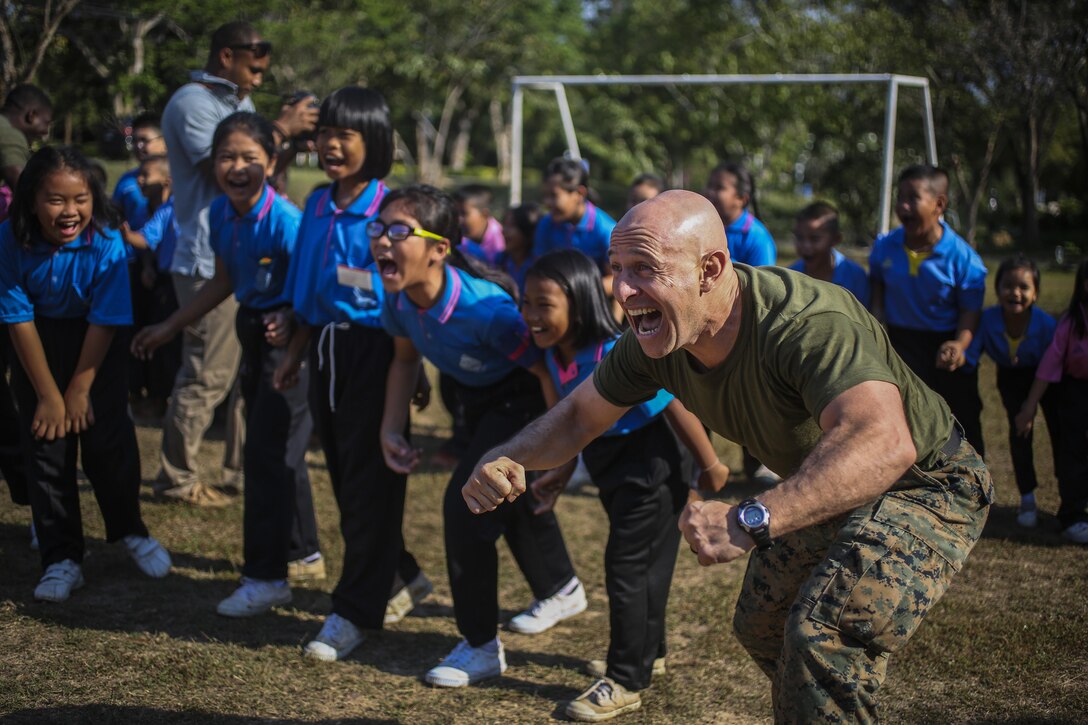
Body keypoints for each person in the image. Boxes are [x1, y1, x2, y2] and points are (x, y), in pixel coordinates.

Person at [463, 190, 992, 722]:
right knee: (762, 623)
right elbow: (580, 416)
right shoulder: (658, 339)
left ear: (709, 269)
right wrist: (511, 455)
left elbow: (882, 441)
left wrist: (752, 516)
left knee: (820, 636)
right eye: (616, 268)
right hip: (829, 482)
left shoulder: (807, 321)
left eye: (644, 268)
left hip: (924, 484)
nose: (622, 290)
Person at [371, 185, 584, 688]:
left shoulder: (488, 311)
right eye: (377, 228)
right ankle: (560, 585)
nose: (383, 240)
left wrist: (561, 451)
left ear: (440, 249)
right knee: (501, 502)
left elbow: (544, 373)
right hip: (475, 400)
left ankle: (480, 646)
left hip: (520, 399)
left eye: (399, 231)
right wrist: (389, 427)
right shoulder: (398, 295)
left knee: (467, 505)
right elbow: (404, 361)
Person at [521, 248, 727, 720]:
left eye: (543, 304)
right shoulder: (557, 357)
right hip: (612, 466)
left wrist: (710, 463)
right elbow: (569, 425)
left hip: (650, 462)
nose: (531, 315)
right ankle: (647, 654)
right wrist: (558, 471)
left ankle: (624, 679)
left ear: (578, 301)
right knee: (646, 565)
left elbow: (671, 404)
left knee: (628, 567)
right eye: (526, 302)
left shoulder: (615, 353)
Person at [132, 112, 323, 614]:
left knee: (266, 453)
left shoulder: (287, 221)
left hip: (290, 340)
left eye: (249, 158)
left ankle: (266, 577)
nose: (237, 168)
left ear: (273, 162)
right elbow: (223, 282)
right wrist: (169, 327)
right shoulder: (219, 214)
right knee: (276, 450)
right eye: (226, 157)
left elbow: (311, 286)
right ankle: (304, 553)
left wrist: (292, 322)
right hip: (252, 330)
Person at [273, 86, 429, 661]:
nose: (331, 146)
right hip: (325, 352)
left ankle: (352, 611)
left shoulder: (394, 210)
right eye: (324, 134)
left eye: (346, 136)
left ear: (376, 143)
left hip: (378, 352)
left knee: (371, 484)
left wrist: (414, 366)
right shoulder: (316, 202)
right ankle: (401, 576)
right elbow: (311, 289)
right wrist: (293, 353)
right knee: (345, 479)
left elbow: (412, 292)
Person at [0, 146, 172, 602]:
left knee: (107, 442)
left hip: (98, 345)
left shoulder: (107, 240)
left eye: (80, 199)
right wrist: (49, 396)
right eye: (55, 200)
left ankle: (130, 528)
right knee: (45, 445)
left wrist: (78, 389)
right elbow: (18, 319)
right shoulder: (8, 239)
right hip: (36, 341)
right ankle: (61, 556)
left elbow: (105, 319)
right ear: (31, 201)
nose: (70, 211)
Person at [159, 20, 317, 505]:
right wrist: (282, 129)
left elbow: (265, 170)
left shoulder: (240, 104)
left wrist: (286, 144)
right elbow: (220, 167)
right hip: (208, 258)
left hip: (252, 256)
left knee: (253, 379)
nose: (259, 80)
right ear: (226, 56)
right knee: (208, 374)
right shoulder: (192, 103)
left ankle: (241, 469)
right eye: (254, 68)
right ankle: (177, 477)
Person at [869, 164, 988, 456]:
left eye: (913, 198)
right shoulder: (885, 247)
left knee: (961, 421)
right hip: (901, 344)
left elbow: (970, 312)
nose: (903, 206)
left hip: (945, 346)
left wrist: (959, 346)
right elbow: (878, 286)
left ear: (939, 204)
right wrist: (876, 322)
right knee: (906, 418)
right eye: (900, 197)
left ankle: (976, 488)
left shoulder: (964, 259)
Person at [961, 256, 1058, 528]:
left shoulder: (1047, 326)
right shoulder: (988, 320)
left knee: (1061, 435)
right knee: (1019, 434)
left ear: (1036, 293)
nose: (1015, 293)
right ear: (997, 289)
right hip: (1010, 379)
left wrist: (1031, 406)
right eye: (1008, 285)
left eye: (1024, 287)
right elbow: (970, 357)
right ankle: (1027, 500)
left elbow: (1053, 366)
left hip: (1049, 380)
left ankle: (1072, 503)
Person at [704, 160, 779, 486]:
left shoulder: (756, 237)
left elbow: (761, 291)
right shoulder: (703, 228)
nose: (710, 192)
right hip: (705, 328)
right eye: (710, 185)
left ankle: (760, 462)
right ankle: (700, 460)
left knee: (749, 396)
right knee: (700, 395)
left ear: (742, 199)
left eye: (719, 187)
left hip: (742, 330)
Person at [1015, 259, 1088, 544]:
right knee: (1074, 455)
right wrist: (1030, 406)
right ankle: (1072, 515)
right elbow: (1049, 365)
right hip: (1076, 395)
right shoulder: (1072, 323)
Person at [534, 157, 617, 289]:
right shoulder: (547, 224)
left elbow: (615, 278)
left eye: (554, 196)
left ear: (579, 193)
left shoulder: (606, 230)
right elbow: (540, 269)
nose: (547, 203)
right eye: (545, 196)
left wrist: (580, 292)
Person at [788, 201, 869, 307]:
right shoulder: (791, 276)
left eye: (815, 238)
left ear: (835, 239)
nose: (806, 245)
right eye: (799, 237)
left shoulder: (855, 277)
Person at [0, 84, 53, 219]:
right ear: (32, 116)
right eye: (46, 123)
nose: (46, 131)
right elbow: (25, 192)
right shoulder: (9, 135)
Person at [112, 112, 167, 231]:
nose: (138, 146)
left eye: (144, 140)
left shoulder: (179, 179)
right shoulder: (125, 181)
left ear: (164, 142)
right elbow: (114, 217)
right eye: (135, 141)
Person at [495, 202, 540, 294]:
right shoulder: (500, 261)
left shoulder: (538, 265)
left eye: (511, 226)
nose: (504, 231)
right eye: (504, 225)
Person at [456, 184, 505, 264]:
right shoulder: (459, 237)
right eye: (456, 213)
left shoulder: (501, 243)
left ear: (484, 214)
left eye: (464, 213)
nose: (459, 219)